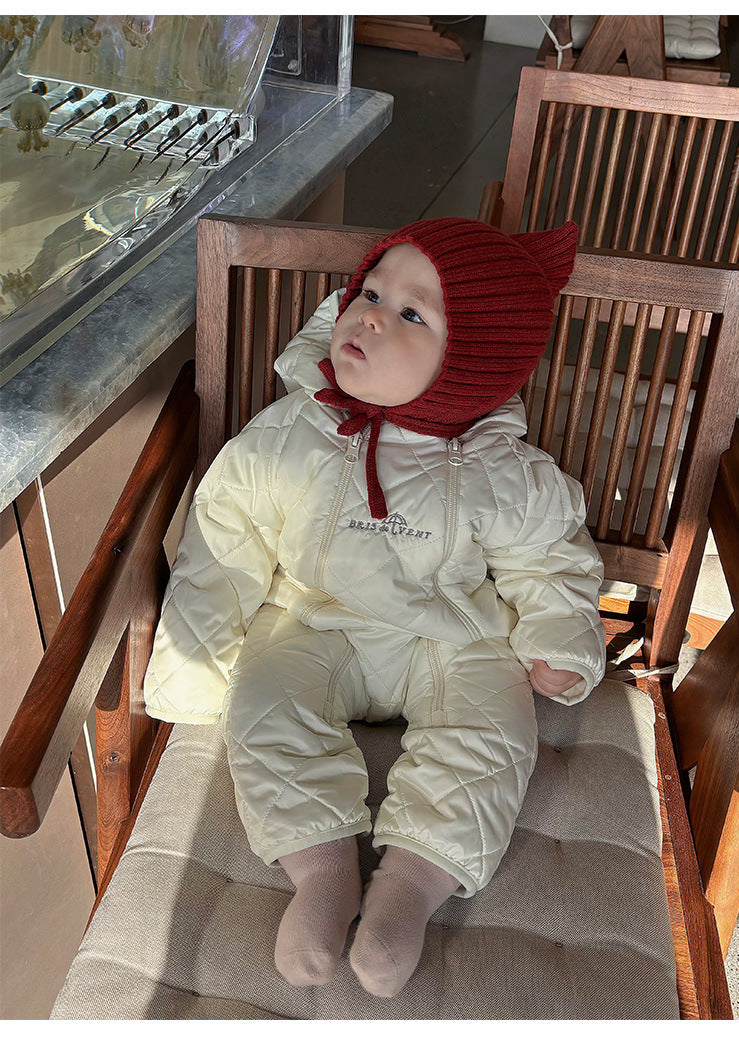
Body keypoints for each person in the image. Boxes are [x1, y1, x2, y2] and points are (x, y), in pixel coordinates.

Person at [144, 217, 606, 999]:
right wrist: (196, 662)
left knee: (494, 728)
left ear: (468, 367)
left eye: (411, 313)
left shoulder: (498, 465)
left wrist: (559, 637)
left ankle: (413, 884)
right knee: (264, 700)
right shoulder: (297, 428)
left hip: (448, 636)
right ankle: (320, 868)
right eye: (369, 293)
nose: (370, 317)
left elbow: (550, 552)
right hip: (312, 621)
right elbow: (225, 536)